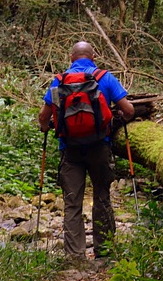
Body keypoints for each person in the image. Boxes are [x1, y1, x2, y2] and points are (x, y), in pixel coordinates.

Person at [38, 41, 134, 262]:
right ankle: (105, 253)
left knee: (72, 202)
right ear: (93, 56)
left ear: (71, 58)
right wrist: (119, 119)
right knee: (102, 197)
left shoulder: (59, 81)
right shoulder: (104, 77)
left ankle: (75, 257)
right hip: (100, 147)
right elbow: (128, 109)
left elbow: (44, 117)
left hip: (70, 149)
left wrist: (46, 127)